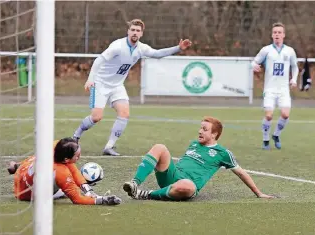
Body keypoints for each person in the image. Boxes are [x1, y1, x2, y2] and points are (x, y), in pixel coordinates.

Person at [72, 19, 192, 156]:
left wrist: (178, 48)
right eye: (133, 30)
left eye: (138, 31)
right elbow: (99, 60)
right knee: (96, 117)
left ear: (141, 34)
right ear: (128, 31)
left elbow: (157, 54)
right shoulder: (117, 46)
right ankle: (76, 136)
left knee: (124, 113)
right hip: (100, 83)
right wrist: (91, 79)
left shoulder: (141, 48)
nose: (135, 33)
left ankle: (109, 147)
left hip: (117, 85)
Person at [122, 116, 276, 201]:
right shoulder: (194, 144)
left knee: (187, 187)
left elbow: (241, 173)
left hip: (187, 185)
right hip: (172, 175)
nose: (200, 131)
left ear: (214, 134)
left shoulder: (223, 153)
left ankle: (146, 194)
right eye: (200, 128)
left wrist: (259, 193)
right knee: (160, 147)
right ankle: (135, 184)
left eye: (204, 129)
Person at [7, 137, 121, 205]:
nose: (79, 157)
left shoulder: (55, 145)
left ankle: (17, 166)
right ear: (66, 159)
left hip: (22, 172)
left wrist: (87, 190)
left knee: (40, 156)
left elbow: (72, 167)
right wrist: (102, 200)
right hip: (24, 194)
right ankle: (18, 166)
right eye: (77, 156)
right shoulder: (61, 172)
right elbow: (77, 199)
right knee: (69, 189)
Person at [251, 22, 299, 150]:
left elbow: (295, 67)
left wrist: (293, 79)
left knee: (285, 114)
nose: (277, 34)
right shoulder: (266, 50)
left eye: (279, 32)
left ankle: (276, 135)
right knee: (269, 115)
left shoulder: (290, 51)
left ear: (284, 35)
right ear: (272, 35)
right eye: (275, 32)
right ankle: (266, 139)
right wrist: (254, 66)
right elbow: (255, 61)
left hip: (283, 89)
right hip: (270, 89)